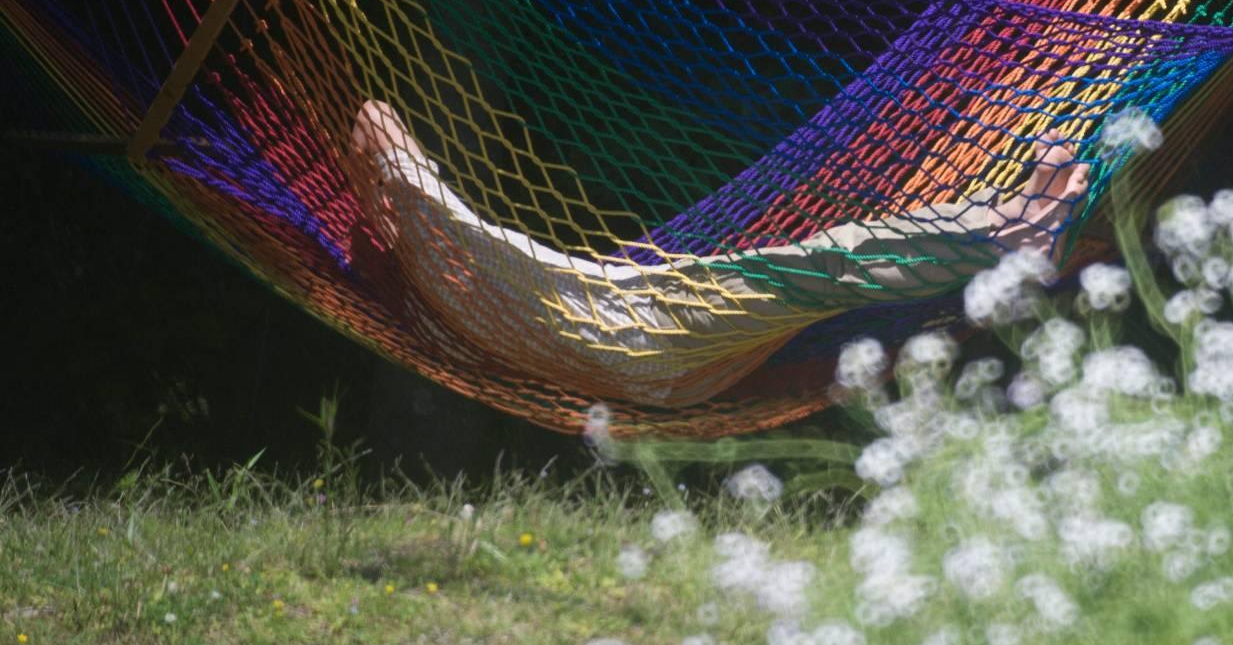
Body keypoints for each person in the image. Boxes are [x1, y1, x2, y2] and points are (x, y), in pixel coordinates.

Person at [350, 100, 1090, 405]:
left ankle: (1003, 222)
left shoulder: (461, 282)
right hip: (649, 340)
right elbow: (408, 166)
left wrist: (387, 187)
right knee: (830, 265)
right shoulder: (461, 263)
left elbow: (427, 197)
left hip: (655, 330)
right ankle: (1009, 231)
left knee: (830, 264)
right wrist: (393, 172)